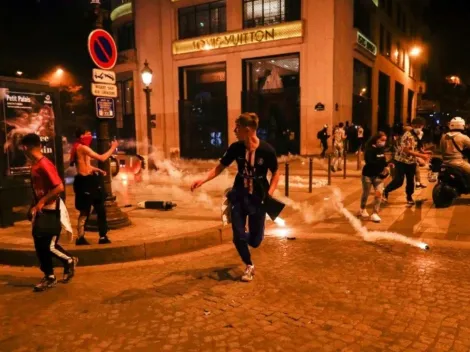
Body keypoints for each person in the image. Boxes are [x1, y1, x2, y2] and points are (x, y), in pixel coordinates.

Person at [191, 112, 280, 282]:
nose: (234, 130)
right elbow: (219, 167)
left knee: (255, 241)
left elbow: (276, 172)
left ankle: (244, 240)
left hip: (258, 199)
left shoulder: (266, 150)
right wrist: (202, 180)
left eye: (237, 127)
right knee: (237, 235)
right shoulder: (235, 148)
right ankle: (249, 265)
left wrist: (270, 194)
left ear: (247, 130)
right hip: (239, 196)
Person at [21, 133, 77, 292]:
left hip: (51, 210)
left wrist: (41, 202)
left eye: (23, 148)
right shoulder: (36, 164)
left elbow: (59, 187)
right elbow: (38, 190)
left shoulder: (44, 164)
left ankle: (69, 260)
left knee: (49, 245)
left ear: (26, 147)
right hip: (41, 211)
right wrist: (33, 207)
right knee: (40, 246)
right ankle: (49, 276)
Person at [70, 128, 118, 245]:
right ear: (81, 135)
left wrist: (98, 170)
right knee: (85, 211)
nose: (90, 136)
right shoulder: (81, 147)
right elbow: (101, 158)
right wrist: (113, 147)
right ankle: (80, 238)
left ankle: (102, 236)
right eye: (88, 134)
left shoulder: (82, 147)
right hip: (84, 183)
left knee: (100, 209)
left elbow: (86, 166)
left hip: (91, 181)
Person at [383, 118, 431, 205]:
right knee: (399, 181)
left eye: (420, 126)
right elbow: (407, 151)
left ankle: (409, 197)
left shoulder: (417, 135)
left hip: (411, 162)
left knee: (410, 181)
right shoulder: (407, 135)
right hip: (401, 161)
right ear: (412, 126)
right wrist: (421, 156)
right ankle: (385, 191)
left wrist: (424, 152)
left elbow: (416, 147)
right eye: (417, 126)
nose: (419, 128)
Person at [358, 132, 393, 223]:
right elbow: (370, 162)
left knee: (379, 193)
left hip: (378, 176)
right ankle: (362, 208)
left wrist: (388, 164)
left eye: (385, 140)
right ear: (376, 139)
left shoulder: (381, 150)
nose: (383, 142)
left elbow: (383, 161)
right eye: (382, 140)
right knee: (366, 193)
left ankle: (375, 213)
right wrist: (382, 164)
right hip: (368, 175)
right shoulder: (369, 150)